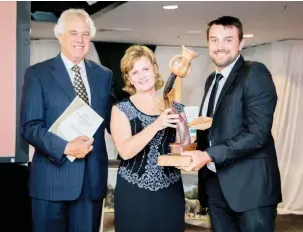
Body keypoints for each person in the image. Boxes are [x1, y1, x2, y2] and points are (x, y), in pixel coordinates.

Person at [181, 16, 282, 232]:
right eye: (214, 40)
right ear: (208, 44)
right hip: (215, 187)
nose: (220, 47)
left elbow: (257, 134)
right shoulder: (211, 80)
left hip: (251, 190)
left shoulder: (255, 73)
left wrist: (208, 155)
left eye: (228, 40)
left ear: (241, 43)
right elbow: (212, 129)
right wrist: (188, 143)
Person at [20, 9, 113, 232]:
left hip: (91, 183)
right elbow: (29, 127)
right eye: (73, 33)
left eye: (85, 34)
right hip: (50, 181)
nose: (80, 40)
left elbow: (111, 120)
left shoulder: (104, 75)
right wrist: (66, 147)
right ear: (59, 36)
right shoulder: (37, 74)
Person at [110, 45, 186, 232]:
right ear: (129, 78)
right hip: (134, 194)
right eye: (135, 72)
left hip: (171, 192)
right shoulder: (120, 110)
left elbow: (183, 149)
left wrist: (188, 141)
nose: (142, 76)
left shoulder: (176, 107)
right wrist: (156, 125)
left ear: (155, 69)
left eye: (145, 69)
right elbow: (125, 152)